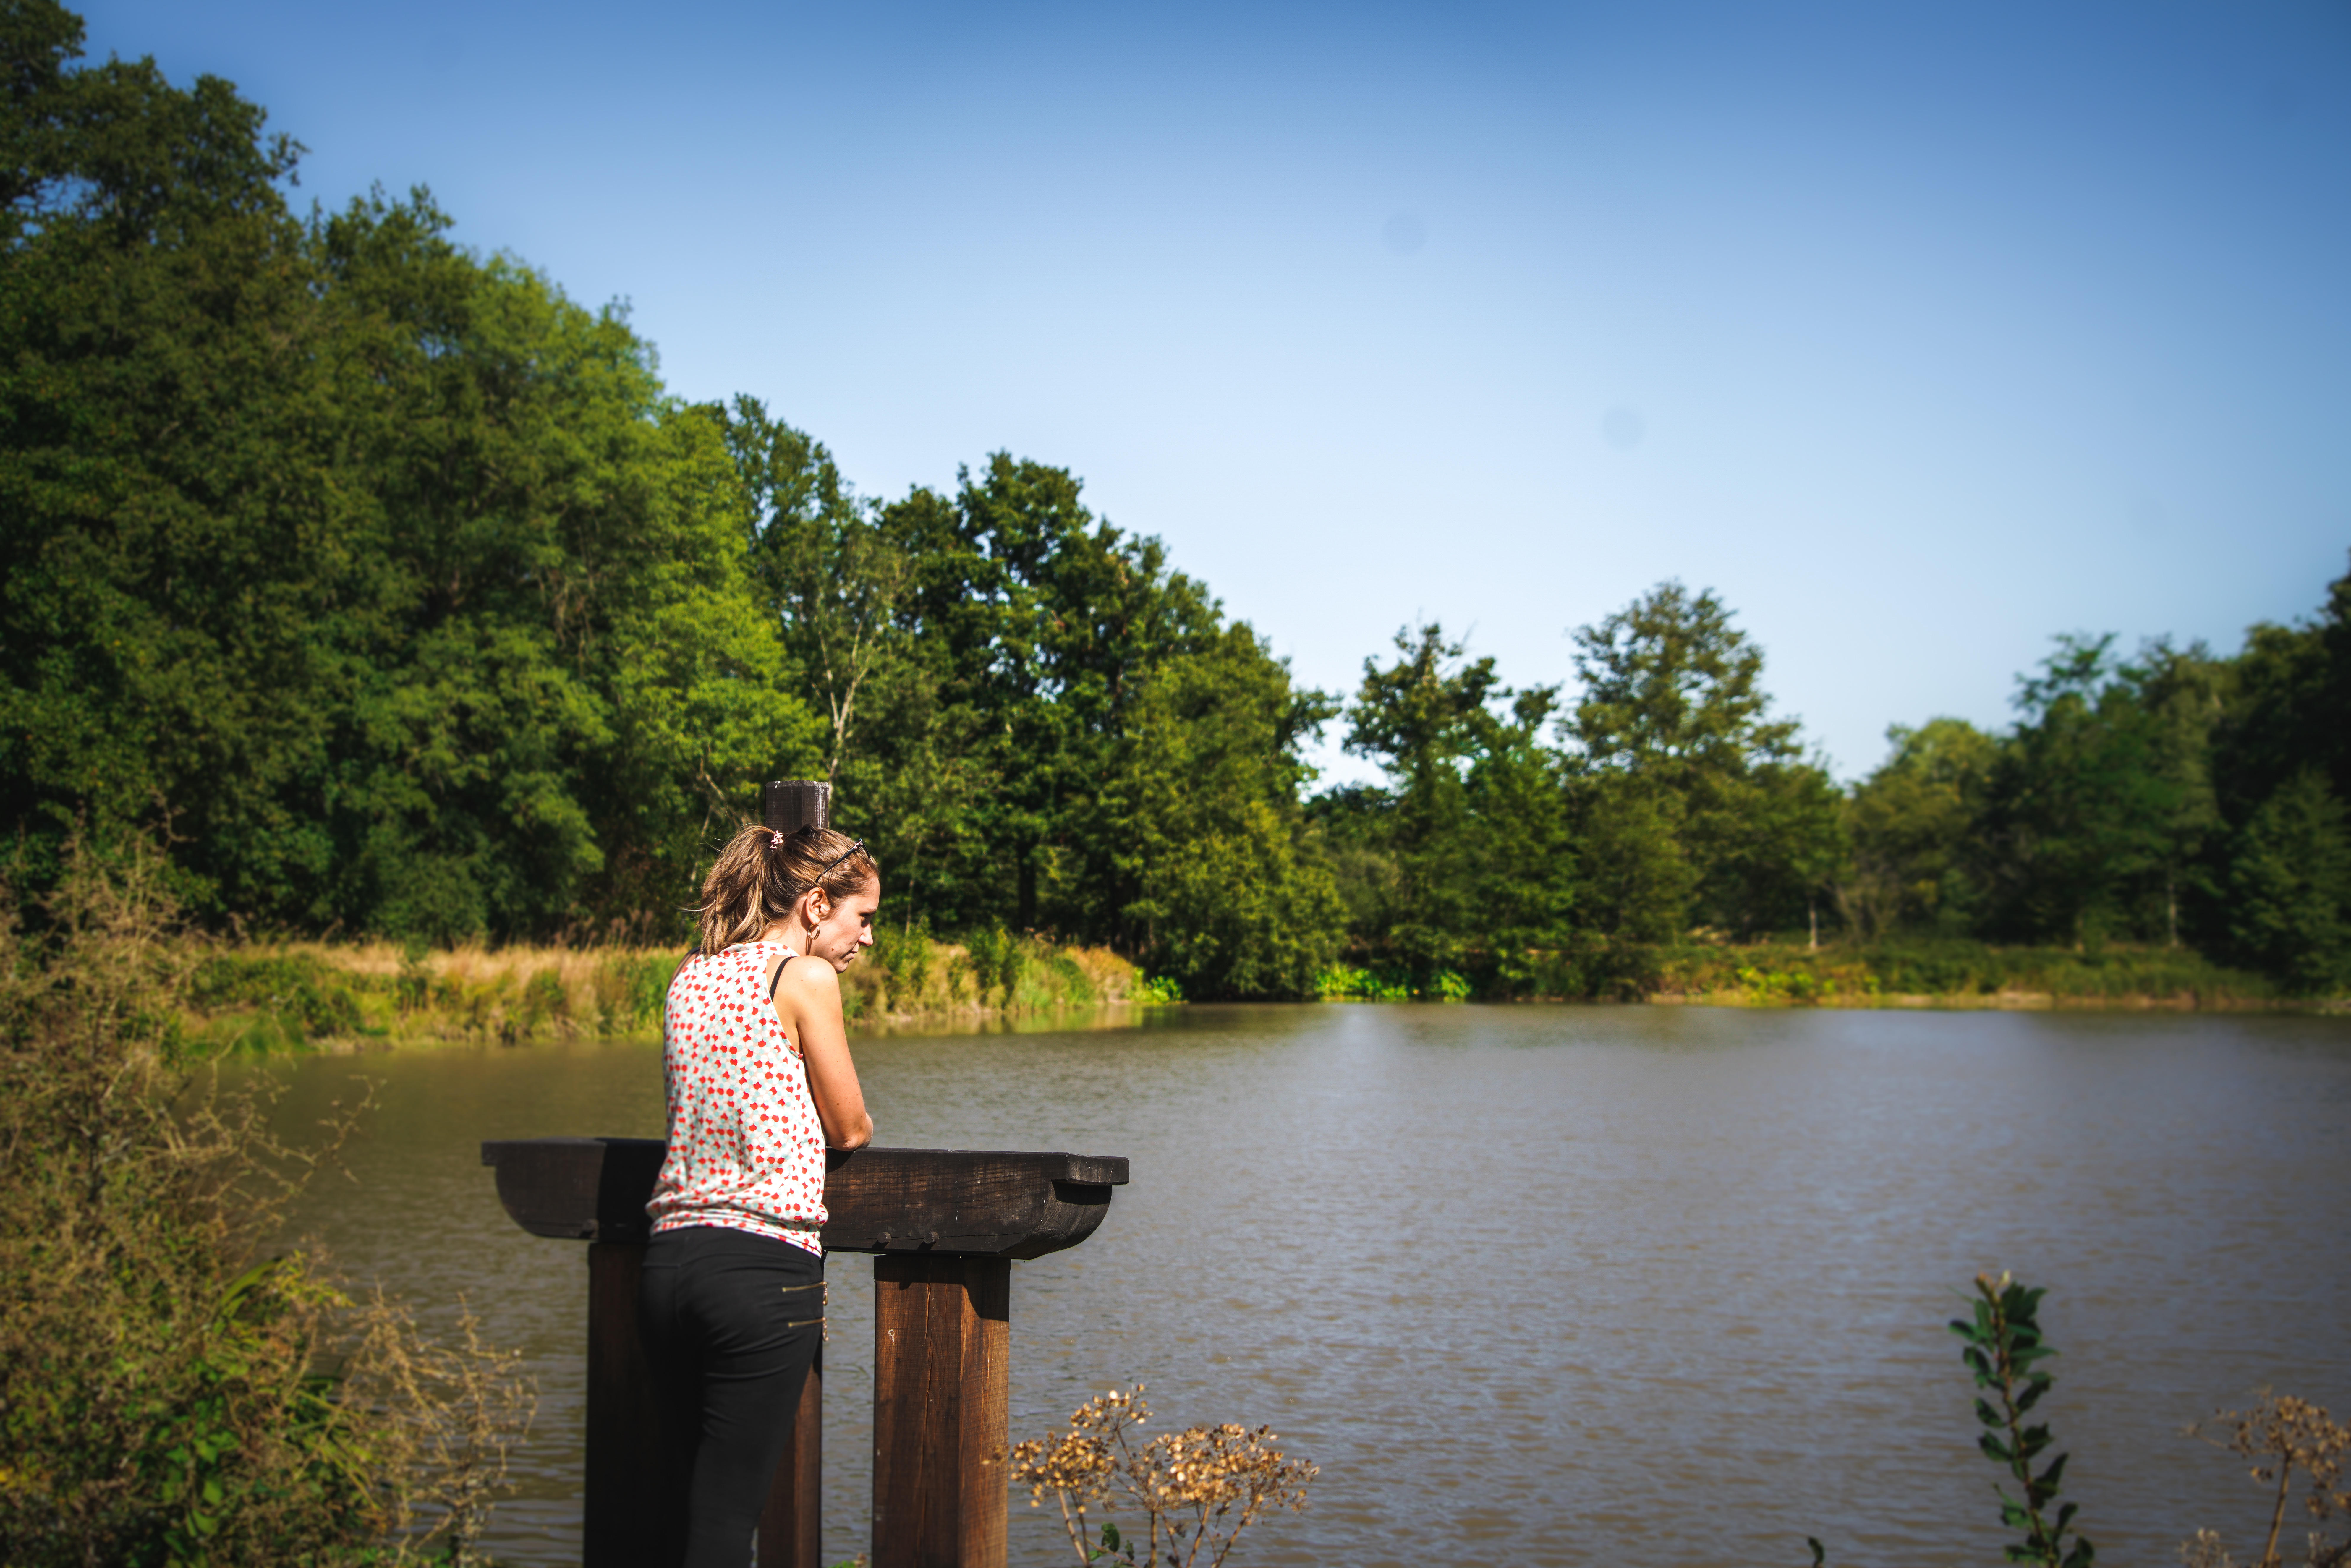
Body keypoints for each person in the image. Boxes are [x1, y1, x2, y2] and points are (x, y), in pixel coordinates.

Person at [638, 822, 878, 1568]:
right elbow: (849, 1129)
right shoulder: (804, 979)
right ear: (815, 905)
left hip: (668, 1270)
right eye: (861, 918)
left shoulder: (689, 977)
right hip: (760, 1275)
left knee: (680, 1503)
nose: (866, 940)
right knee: (723, 1523)